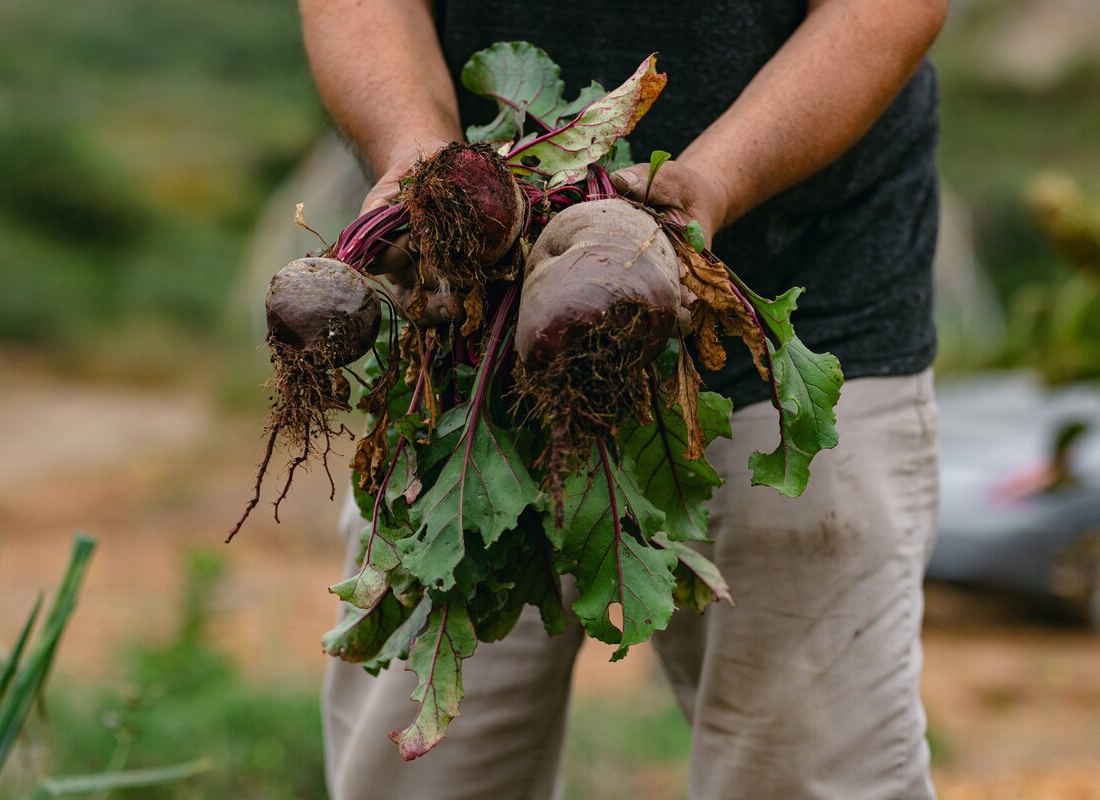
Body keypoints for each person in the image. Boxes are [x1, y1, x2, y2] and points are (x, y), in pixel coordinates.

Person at [299, 1, 948, 797]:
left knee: (807, 766)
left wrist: (709, 182)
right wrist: (417, 156)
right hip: (473, 327)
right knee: (422, 777)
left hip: (796, 301)